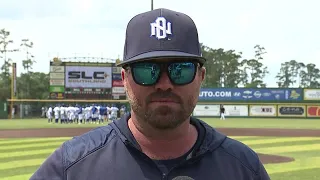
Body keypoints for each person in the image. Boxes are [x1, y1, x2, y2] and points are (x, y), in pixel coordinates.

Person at [30, 8, 270, 180]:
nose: (164, 84)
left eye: (180, 70)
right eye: (147, 71)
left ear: (201, 76)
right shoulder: (72, 166)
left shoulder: (243, 167)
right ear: (124, 79)